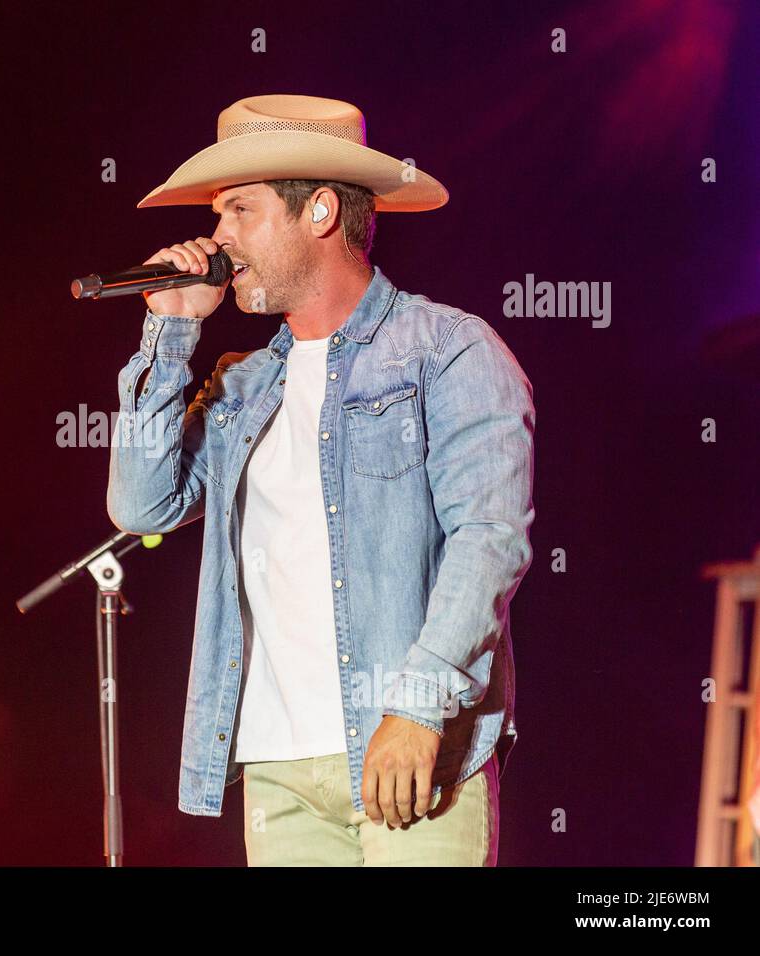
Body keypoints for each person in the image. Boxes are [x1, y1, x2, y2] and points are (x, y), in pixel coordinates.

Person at [107, 95, 535, 866]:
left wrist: (417, 706)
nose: (218, 237)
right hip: (279, 773)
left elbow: (489, 540)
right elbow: (142, 506)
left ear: (322, 212)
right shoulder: (241, 386)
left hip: (410, 750)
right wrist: (169, 330)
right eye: (219, 214)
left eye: (239, 209)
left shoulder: (447, 351)